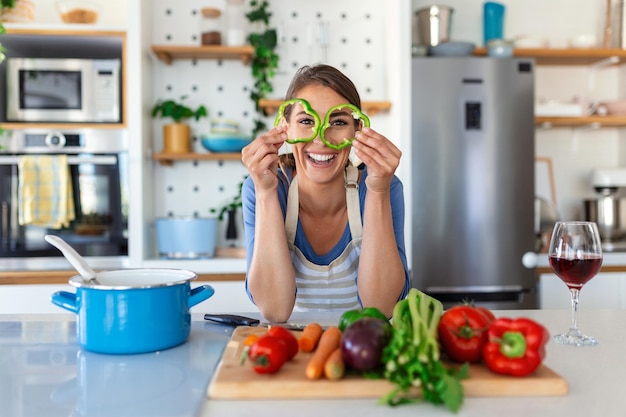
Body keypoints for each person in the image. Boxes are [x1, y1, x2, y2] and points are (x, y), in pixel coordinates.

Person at [241, 64, 410, 323]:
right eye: (306, 121)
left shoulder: (384, 186)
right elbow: (274, 311)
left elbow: (381, 308)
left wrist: (377, 190)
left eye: (339, 122)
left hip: (364, 351)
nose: (321, 138)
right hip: (290, 352)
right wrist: (265, 193)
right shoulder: (265, 187)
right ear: (285, 128)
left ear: (357, 130)